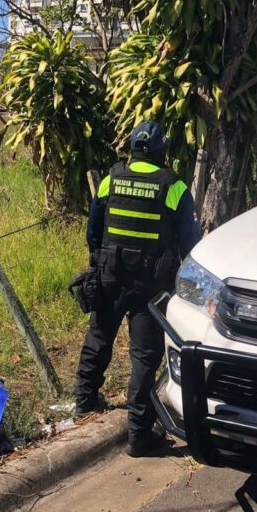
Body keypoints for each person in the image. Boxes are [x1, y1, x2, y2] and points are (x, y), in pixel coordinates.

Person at [74, 121, 201, 457]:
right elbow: (190, 241)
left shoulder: (110, 179)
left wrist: (98, 260)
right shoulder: (173, 186)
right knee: (144, 356)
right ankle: (139, 434)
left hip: (110, 275)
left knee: (99, 336)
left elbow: (93, 229)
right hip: (150, 285)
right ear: (162, 149)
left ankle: (84, 402)